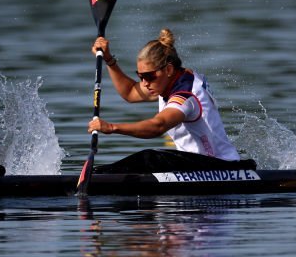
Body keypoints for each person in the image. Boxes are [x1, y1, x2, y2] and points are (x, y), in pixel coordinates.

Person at [88, 29, 241, 161]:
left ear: (168, 69)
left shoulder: (185, 96)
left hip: (219, 168)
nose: (145, 83)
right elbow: (129, 93)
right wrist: (109, 60)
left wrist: (112, 127)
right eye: (140, 76)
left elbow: (158, 126)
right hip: (198, 165)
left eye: (149, 76)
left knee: (150, 158)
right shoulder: (171, 80)